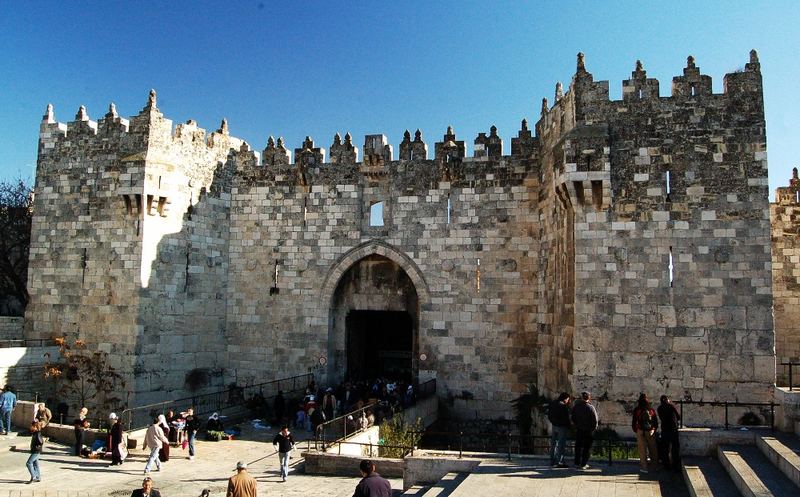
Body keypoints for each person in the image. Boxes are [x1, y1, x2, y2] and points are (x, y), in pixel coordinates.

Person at [632, 393, 660, 473]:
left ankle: (644, 468)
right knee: (653, 449)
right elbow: (655, 422)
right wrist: (653, 429)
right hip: (650, 431)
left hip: (640, 431)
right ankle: (655, 466)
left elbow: (634, 421)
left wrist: (636, 430)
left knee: (642, 450)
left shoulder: (637, 409)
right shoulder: (651, 410)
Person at [571, 391, 598, 470]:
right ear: (589, 398)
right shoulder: (591, 407)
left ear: (581, 397)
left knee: (578, 447)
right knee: (587, 447)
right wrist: (593, 428)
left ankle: (576, 463)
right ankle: (583, 464)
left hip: (579, 429)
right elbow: (595, 420)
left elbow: (573, 417)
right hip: (588, 431)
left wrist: (576, 425)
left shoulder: (576, 406)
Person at [657, 395, 681, 472]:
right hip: (673, 430)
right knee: (675, 448)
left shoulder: (659, 408)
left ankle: (666, 466)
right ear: (667, 400)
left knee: (665, 449)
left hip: (665, 430)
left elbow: (661, 418)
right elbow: (678, 416)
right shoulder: (671, 406)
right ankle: (675, 466)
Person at [548, 392, 571, 468]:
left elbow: (549, 415)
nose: (568, 401)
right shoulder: (563, 406)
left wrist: (553, 422)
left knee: (554, 444)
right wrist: (569, 426)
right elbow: (566, 418)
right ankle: (560, 461)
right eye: (568, 399)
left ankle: (552, 460)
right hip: (562, 427)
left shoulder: (553, 403)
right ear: (565, 398)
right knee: (561, 445)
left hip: (554, 425)